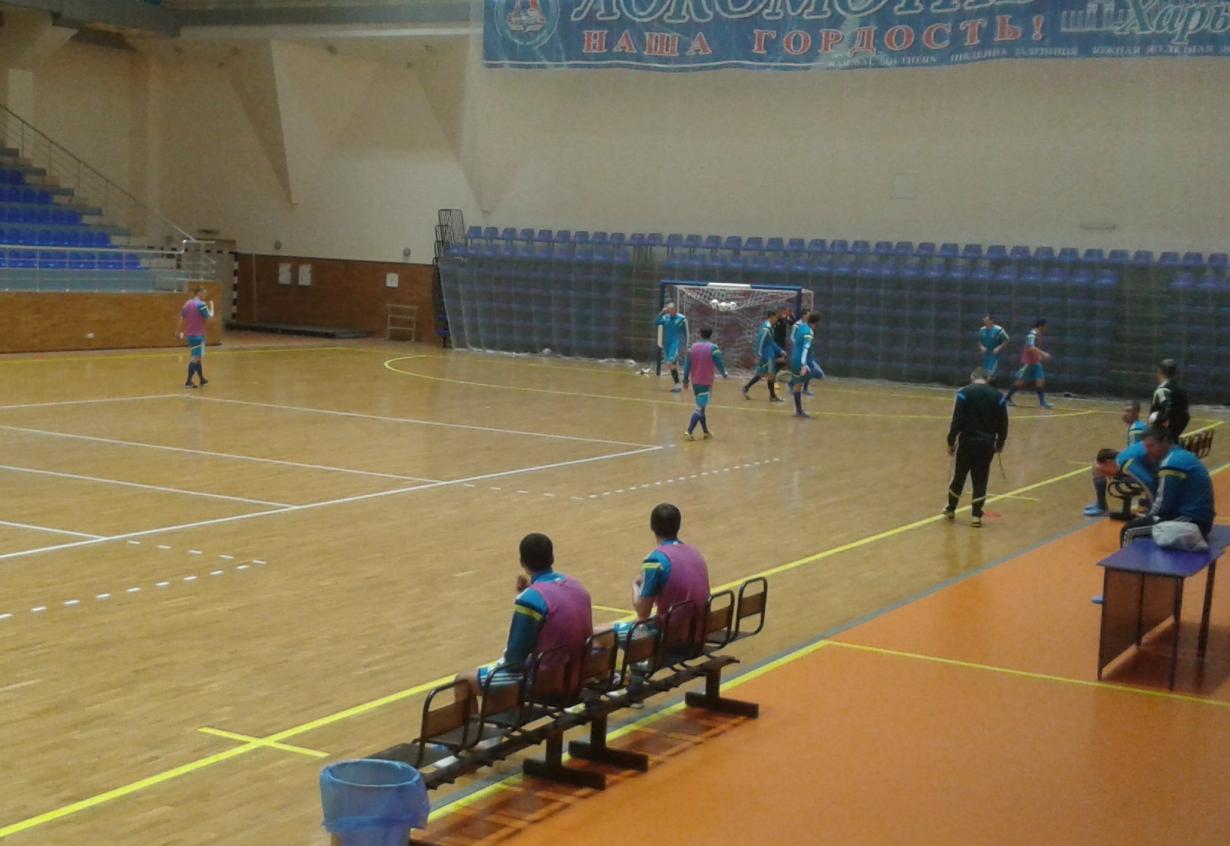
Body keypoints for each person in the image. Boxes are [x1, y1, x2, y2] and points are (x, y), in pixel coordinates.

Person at [462, 533, 593, 693]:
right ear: (552, 557)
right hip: (579, 670)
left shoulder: (530, 600)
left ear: (522, 562)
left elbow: (514, 659)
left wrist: (528, 594)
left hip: (548, 682)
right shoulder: (576, 585)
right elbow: (554, 602)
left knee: (464, 680)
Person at [612, 504, 710, 641]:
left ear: (652, 526)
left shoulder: (654, 560)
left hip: (672, 636)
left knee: (600, 634)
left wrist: (635, 585)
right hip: (699, 630)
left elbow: (643, 613)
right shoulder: (695, 553)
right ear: (678, 526)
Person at [1120, 426, 1215, 546]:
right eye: (1146, 447)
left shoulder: (1170, 463)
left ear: (1165, 441)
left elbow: (1163, 506)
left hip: (1192, 522)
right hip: (1201, 519)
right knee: (1143, 525)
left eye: (1151, 446)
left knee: (1129, 530)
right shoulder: (1180, 454)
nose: (1148, 451)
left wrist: (1147, 517)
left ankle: (1128, 559)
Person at [943, 367, 1009, 528]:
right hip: (986, 444)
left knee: (959, 476)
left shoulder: (964, 393)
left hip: (967, 442)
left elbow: (957, 420)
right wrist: (1000, 443)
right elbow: (1003, 423)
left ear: (972, 377)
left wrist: (951, 441)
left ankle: (951, 508)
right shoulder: (998, 396)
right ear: (987, 378)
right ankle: (976, 516)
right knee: (980, 478)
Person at [1084, 442, 1157, 518]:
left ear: (1109, 462)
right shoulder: (1122, 457)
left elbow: (1150, 484)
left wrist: (1154, 512)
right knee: (1096, 468)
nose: (1108, 476)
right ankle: (1101, 505)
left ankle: (1101, 506)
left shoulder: (1128, 465)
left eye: (1105, 471)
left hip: (1159, 466)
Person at [682, 328, 728, 440]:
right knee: (700, 407)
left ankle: (705, 432)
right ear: (711, 335)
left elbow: (687, 365)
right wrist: (724, 373)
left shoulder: (692, 347)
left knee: (702, 407)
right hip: (706, 381)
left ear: (700, 334)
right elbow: (719, 363)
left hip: (695, 381)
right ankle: (689, 431)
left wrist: (685, 380)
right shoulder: (713, 348)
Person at [1005, 319, 1052, 409]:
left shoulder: (1038, 334)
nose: (1046, 328)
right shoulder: (1031, 335)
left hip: (1036, 362)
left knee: (1041, 380)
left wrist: (1038, 356)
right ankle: (1007, 398)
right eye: (1045, 326)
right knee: (1020, 382)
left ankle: (1042, 403)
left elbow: (1034, 349)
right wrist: (1043, 354)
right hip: (1029, 363)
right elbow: (1031, 347)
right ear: (1041, 326)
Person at [176, 286, 214, 388]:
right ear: (199, 293)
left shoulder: (187, 304)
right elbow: (209, 318)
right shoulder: (201, 305)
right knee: (195, 358)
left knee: (198, 357)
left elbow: (181, 318)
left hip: (190, 336)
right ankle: (188, 381)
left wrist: (178, 331)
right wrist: (211, 309)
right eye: (204, 293)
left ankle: (202, 379)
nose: (205, 295)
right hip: (199, 336)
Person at [742, 309, 784, 402]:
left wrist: (780, 350)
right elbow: (760, 341)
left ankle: (746, 388)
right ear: (771, 317)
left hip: (770, 354)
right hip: (766, 355)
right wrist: (759, 353)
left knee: (764, 373)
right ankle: (772, 396)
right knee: (770, 374)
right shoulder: (766, 328)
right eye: (776, 318)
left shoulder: (770, 327)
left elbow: (771, 342)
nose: (776, 320)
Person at [790, 311, 824, 418]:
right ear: (817, 322)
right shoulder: (809, 332)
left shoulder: (802, 327)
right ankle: (799, 410)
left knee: (798, 385)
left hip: (794, 358)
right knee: (819, 374)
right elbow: (805, 349)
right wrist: (804, 364)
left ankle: (799, 411)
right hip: (801, 360)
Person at [1149, 359, 1190, 439]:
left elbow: (1168, 408)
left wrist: (1159, 420)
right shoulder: (1181, 391)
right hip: (1175, 434)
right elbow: (1186, 414)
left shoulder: (1161, 391)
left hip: (1161, 437)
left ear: (1159, 372)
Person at [654, 302, 689, 393]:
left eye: (672, 310)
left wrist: (686, 345)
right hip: (667, 344)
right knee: (671, 365)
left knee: (670, 363)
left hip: (676, 344)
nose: (670, 312)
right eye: (669, 310)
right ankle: (678, 385)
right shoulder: (665, 317)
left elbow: (686, 333)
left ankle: (678, 384)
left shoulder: (682, 319)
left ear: (675, 310)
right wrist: (662, 313)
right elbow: (656, 322)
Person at [977, 314, 1010, 381]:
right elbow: (979, 341)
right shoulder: (982, 330)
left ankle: (987, 384)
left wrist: (998, 348)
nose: (985, 322)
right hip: (985, 355)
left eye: (986, 320)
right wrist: (981, 347)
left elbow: (1006, 340)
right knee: (984, 372)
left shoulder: (998, 330)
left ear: (991, 321)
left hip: (994, 355)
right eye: (984, 320)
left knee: (990, 372)